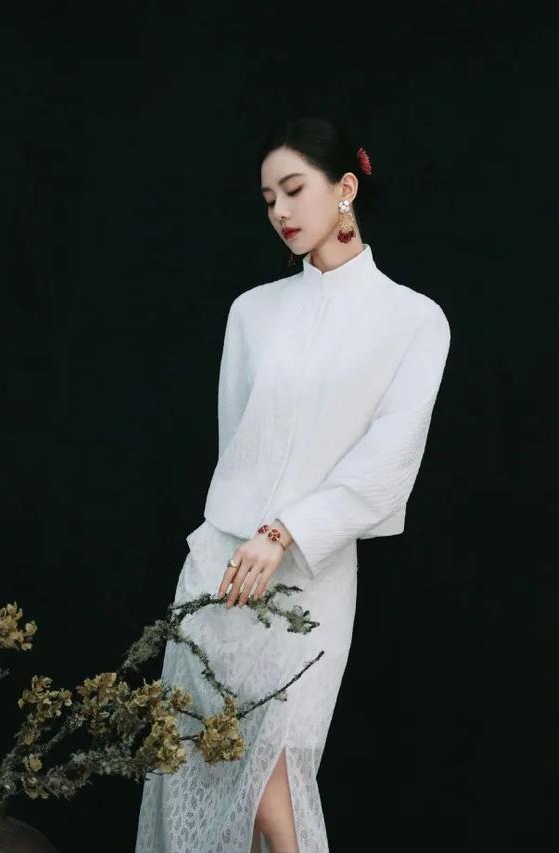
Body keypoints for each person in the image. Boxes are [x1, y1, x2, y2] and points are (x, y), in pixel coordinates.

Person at [135, 115, 451, 853]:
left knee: (272, 770)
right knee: (206, 766)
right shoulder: (253, 312)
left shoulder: (414, 320)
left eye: (293, 189)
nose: (280, 210)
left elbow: (388, 463)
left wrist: (285, 531)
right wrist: (241, 531)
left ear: (345, 188)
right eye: (268, 198)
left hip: (310, 577)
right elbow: (237, 448)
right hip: (221, 572)